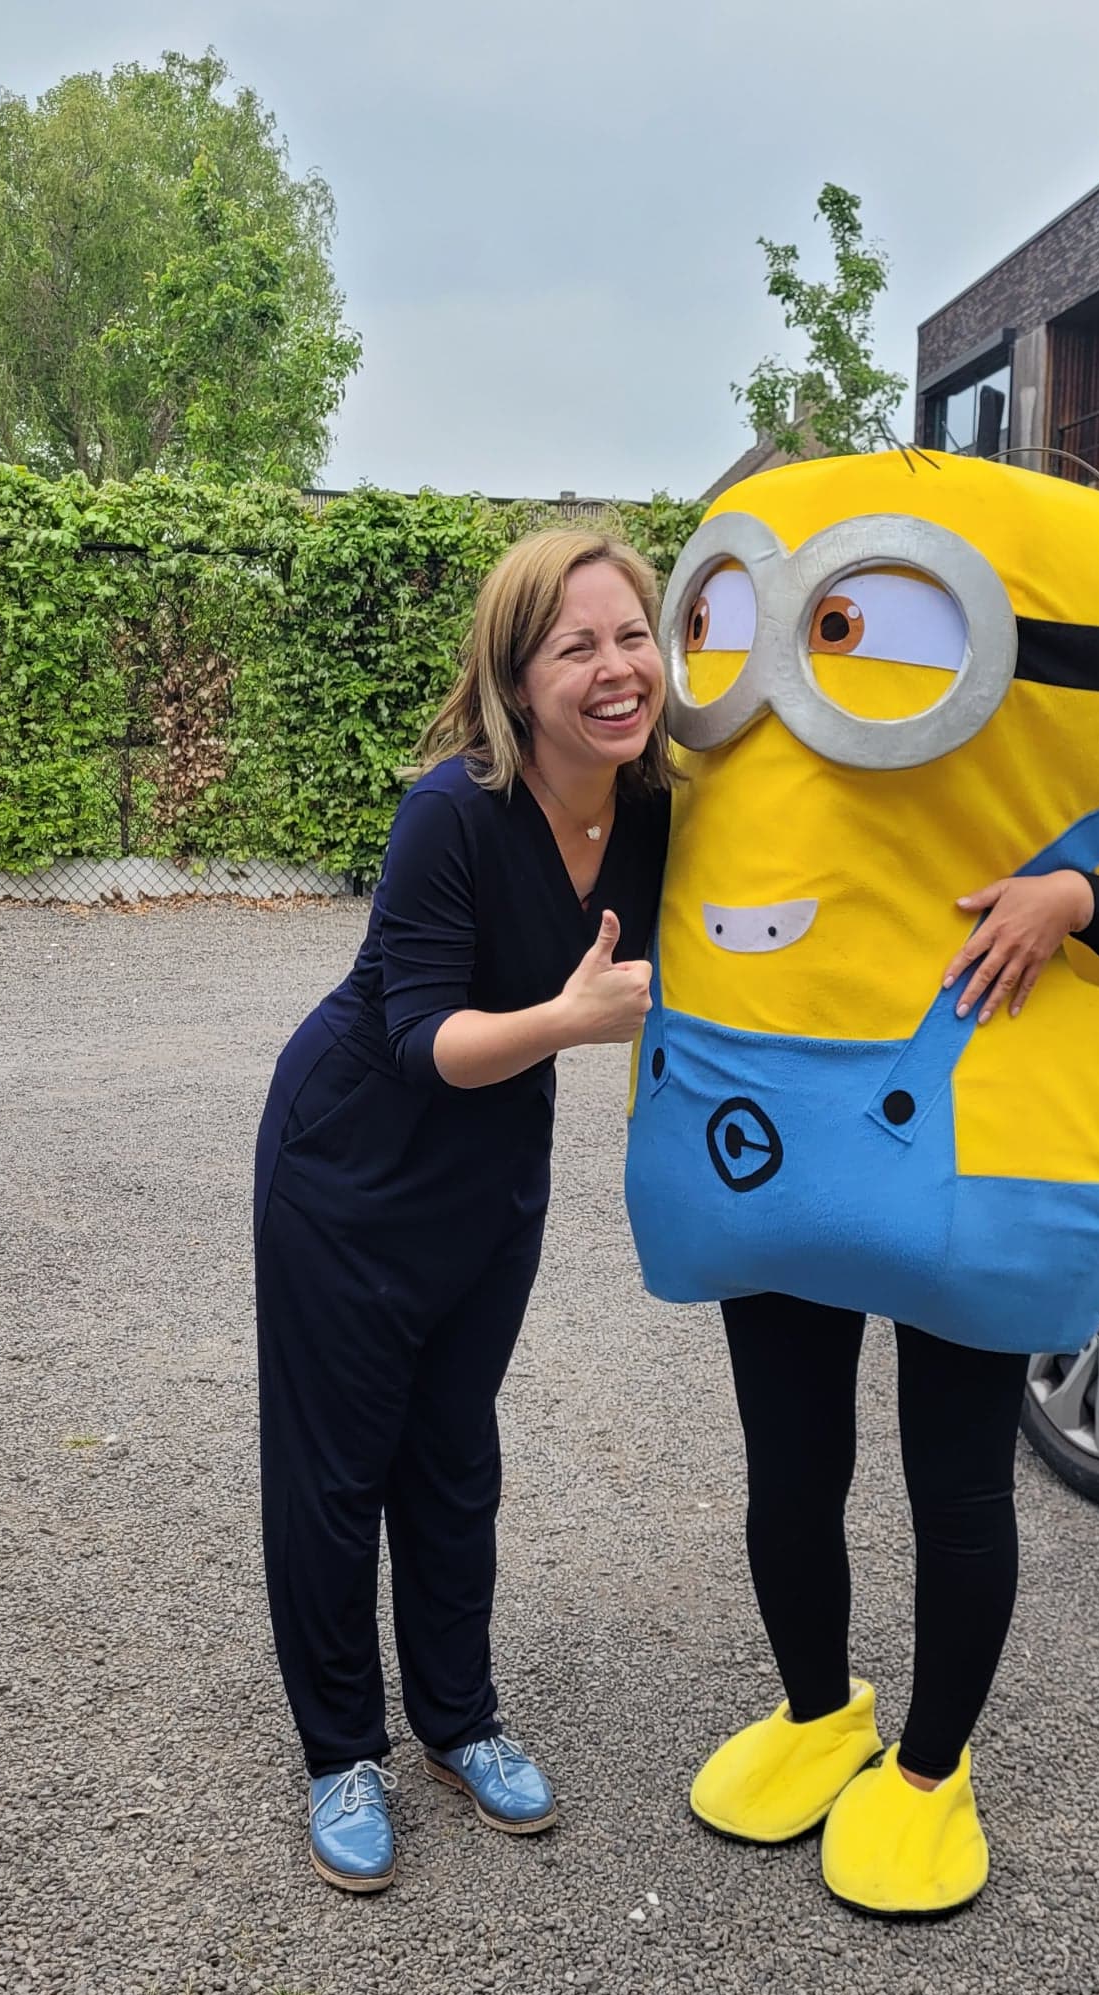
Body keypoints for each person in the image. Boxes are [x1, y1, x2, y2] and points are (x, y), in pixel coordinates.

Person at [624, 447, 1099, 1917]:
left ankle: (933, 1769)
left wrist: (1067, 895)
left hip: (966, 1151)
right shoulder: (714, 748)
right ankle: (819, 1710)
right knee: (789, 1468)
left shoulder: (1065, 746)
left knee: (955, 1484)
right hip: (768, 1139)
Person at [254, 527, 671, 1893]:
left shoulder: (656, 805)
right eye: (577, 647)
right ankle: (340, 1750)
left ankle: (458, 1721)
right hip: (352, 1162)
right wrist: (569, 1019)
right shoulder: (452, 812)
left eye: (634, 636)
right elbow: (423, 1037)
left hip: (493, 1171)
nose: (616, 670)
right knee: (337, 1466)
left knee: (452, 1450)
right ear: (516, 676)